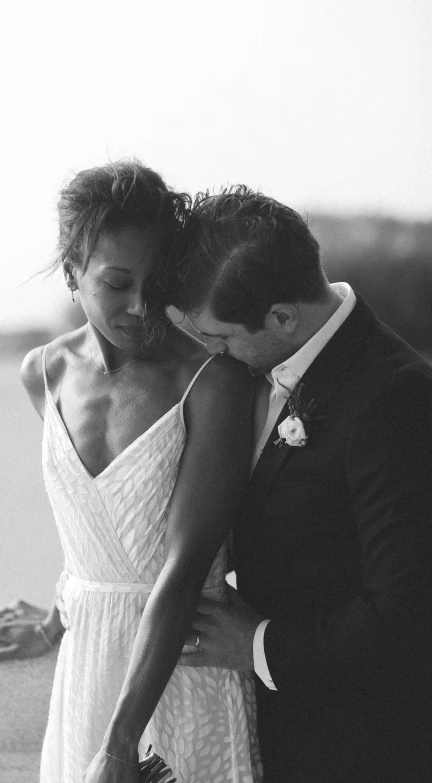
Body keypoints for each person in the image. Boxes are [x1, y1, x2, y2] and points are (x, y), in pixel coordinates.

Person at [0, 162, 262, 783]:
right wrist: (53, 621)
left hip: (180, 671)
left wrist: (121, 744)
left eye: (156, 283)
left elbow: (180, 569)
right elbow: (94, 533)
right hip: (85, 672)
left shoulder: (211, 382)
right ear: (72, 271)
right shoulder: (42, 373)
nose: (140, 305)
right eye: (117, 283)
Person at [176, 186, 432, 782]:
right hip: (283, 734)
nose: (214, 354)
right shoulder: (263, 373)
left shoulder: (398, 399)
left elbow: (407, 620)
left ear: (283, 317)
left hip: (367, 748)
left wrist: (258, 645)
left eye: (221, 337)